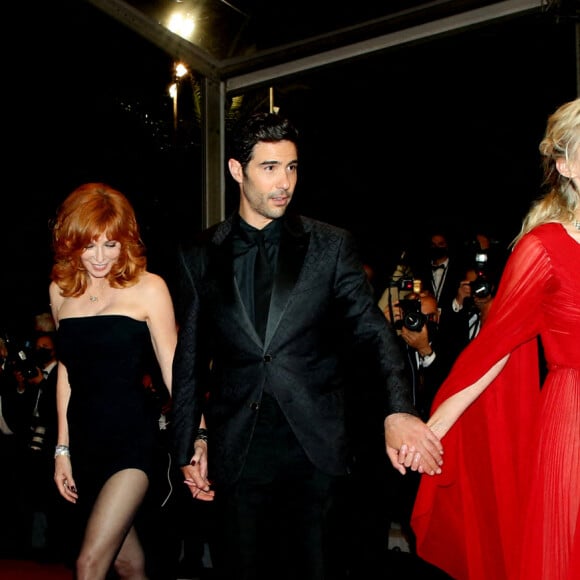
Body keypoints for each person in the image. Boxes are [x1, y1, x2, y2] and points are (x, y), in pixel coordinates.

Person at [170, 111, 443, 580]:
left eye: (292, 167)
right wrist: (190, 441)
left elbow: (375, 334)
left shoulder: (329, 246)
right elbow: (190, 357)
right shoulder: (199, 254)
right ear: (237, 170)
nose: (285, 183)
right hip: (239, 452)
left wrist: (398, 410)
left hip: (315, 450)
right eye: (270, 168)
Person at [410, 98, 580, 580]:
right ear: (565, 164)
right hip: (574, 423)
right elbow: (494, 349)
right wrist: (433, 429)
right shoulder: (543, 247)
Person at [48, 183, 213, 580]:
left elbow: (176, 370)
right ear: (72, 244)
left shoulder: (149, 288)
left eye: (111, 244)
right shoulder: (61, 291)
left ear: (126, 242)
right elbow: (67, 372)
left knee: (89, 564)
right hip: (85, 443)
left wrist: (199, 434)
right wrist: (62, 449)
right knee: (127, 562)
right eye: (90, 246)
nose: (100, 257)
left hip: (132, 442)